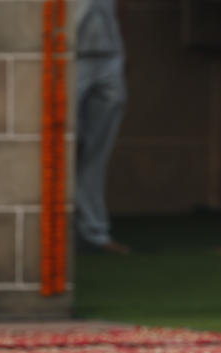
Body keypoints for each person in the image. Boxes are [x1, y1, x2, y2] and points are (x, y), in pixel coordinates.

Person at [75, 0, 130, 254]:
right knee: (63, 147)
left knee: (96, 151)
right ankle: (70, 231)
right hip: (70, 52)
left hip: (109, 51)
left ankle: (93, 232)